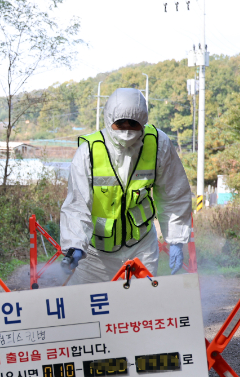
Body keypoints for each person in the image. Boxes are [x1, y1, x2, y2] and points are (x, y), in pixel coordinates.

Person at [60, 88, 192, 283]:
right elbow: (77, 204)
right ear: (108, 120)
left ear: (144, 121)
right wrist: (75, 245)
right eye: (120, 124)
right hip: (95, 254)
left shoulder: (158, 145)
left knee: (139, 309)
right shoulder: (88, 151)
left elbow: (174, 195)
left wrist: (176, 240)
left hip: (141, 248)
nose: (127, 130)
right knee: (92, 308)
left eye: (134, 124)